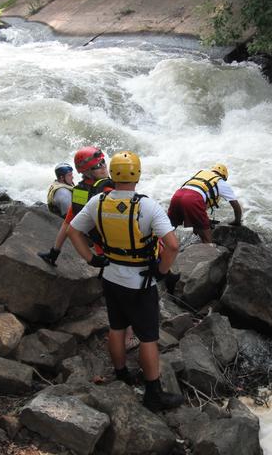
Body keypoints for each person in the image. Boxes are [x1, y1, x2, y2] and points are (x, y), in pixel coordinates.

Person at [67, 151, 184, 412]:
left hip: (110, 277)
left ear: (114, 173)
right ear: (137, 174)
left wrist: (90, 259)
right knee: (148, 338)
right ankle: (153, 394)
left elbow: (73, 231)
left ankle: (122, 375)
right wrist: (162, 272)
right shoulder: (148, 206)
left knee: (117, 328)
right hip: (140, 284)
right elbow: (173, 246)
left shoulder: (98, 201)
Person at [38, 147, 139, 350]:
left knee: (118, 293)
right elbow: (69, 223)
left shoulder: (81, 190)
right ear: (86, 171)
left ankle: (124, 332)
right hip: (117, 249)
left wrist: (55, 252)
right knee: (127, 292)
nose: (104, 168)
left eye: (103, 163)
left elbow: (70, 223)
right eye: (98, 165)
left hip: (103, 249)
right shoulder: (110, 190)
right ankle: (130, 336)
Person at [168, 163, 242, 243]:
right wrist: (237, 221)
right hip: (193, 199)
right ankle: (209, 252)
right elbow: (236, 206)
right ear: (224, 176)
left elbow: (191, 196)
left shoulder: (201, 173)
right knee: (207, 238)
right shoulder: (221, 182)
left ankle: (158, 249)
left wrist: (200, 222)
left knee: (168, 229)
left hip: (177, 195)